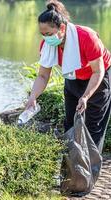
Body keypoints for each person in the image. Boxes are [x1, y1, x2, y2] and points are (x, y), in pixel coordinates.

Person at [25, 0, 111, 154]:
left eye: (49, 34)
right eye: (42, 34)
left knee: (93, 128)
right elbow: (43, 76)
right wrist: (32, 97)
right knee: (70, 124)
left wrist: (85, 97)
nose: (46, 38)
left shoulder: (87, 37)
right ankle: (72, 167)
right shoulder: (47, 46)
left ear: (62, 28)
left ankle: (89, 174)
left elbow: (98, 71)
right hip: (73, 77)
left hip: (98, 77)